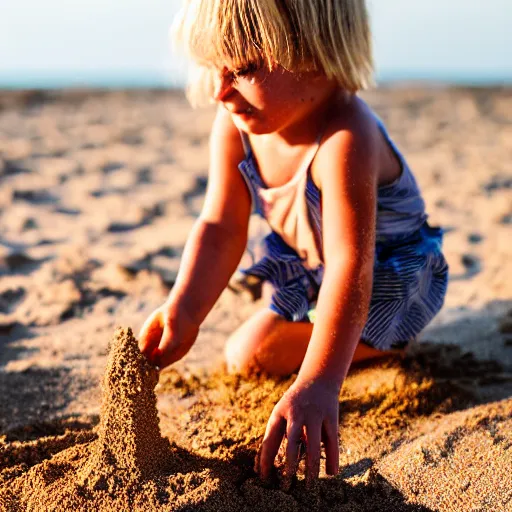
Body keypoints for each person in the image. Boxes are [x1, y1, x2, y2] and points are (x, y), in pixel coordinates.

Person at [139, 0, 448, 489]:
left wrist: (319, 383)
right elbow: (220, 226)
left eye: (241, 70)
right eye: (214, 68)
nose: (221, 92)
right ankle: (340, 336)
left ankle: (385, 345)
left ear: (314, 53)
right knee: (251, 344)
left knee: (248, 352)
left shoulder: (345, 139)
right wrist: (184, 308)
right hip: (318, 268)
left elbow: (352, 265)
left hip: (389, 280)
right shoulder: (237, 125)